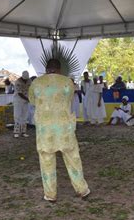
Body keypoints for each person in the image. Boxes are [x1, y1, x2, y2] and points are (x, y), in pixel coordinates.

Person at [28, 58, 90, 202]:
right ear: (60, 69)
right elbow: (69, 99)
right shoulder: (67, 82)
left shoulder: (36, 83)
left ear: (46, 69)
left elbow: (32, 100)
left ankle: (50, 195)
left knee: (46, 160)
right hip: (64, 127)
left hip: (45, 129)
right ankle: (82, 189)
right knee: (73, 158)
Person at [13, 71, 32, 138]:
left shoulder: (29, 81)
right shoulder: (17, 82)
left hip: (26, 101)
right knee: (17, 116)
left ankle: (23, 132)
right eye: (25, 79)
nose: (26, 80)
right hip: (18, 101)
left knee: (24, 116)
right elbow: (19, 93)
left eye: (26, 79)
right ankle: (16, 132)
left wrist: (30, 98)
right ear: (22, 77)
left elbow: (31, 90)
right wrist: (28, 99)